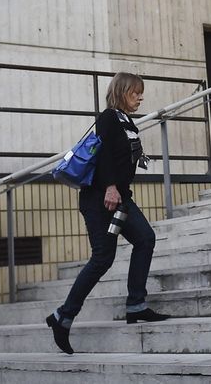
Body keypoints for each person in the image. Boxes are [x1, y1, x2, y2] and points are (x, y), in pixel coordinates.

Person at [46, 72, 169, 354]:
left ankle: (136, 304)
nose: (140, 97)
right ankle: (63, 317)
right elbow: (101, 156)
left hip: (120, 198)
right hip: (100, 198)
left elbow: (122, 156)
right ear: (122, 91)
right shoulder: (108, 117)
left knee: (145, 238)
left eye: (141, 92)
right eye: (135, 92)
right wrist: (111, 186)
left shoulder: (128, 123)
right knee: (103, 257)